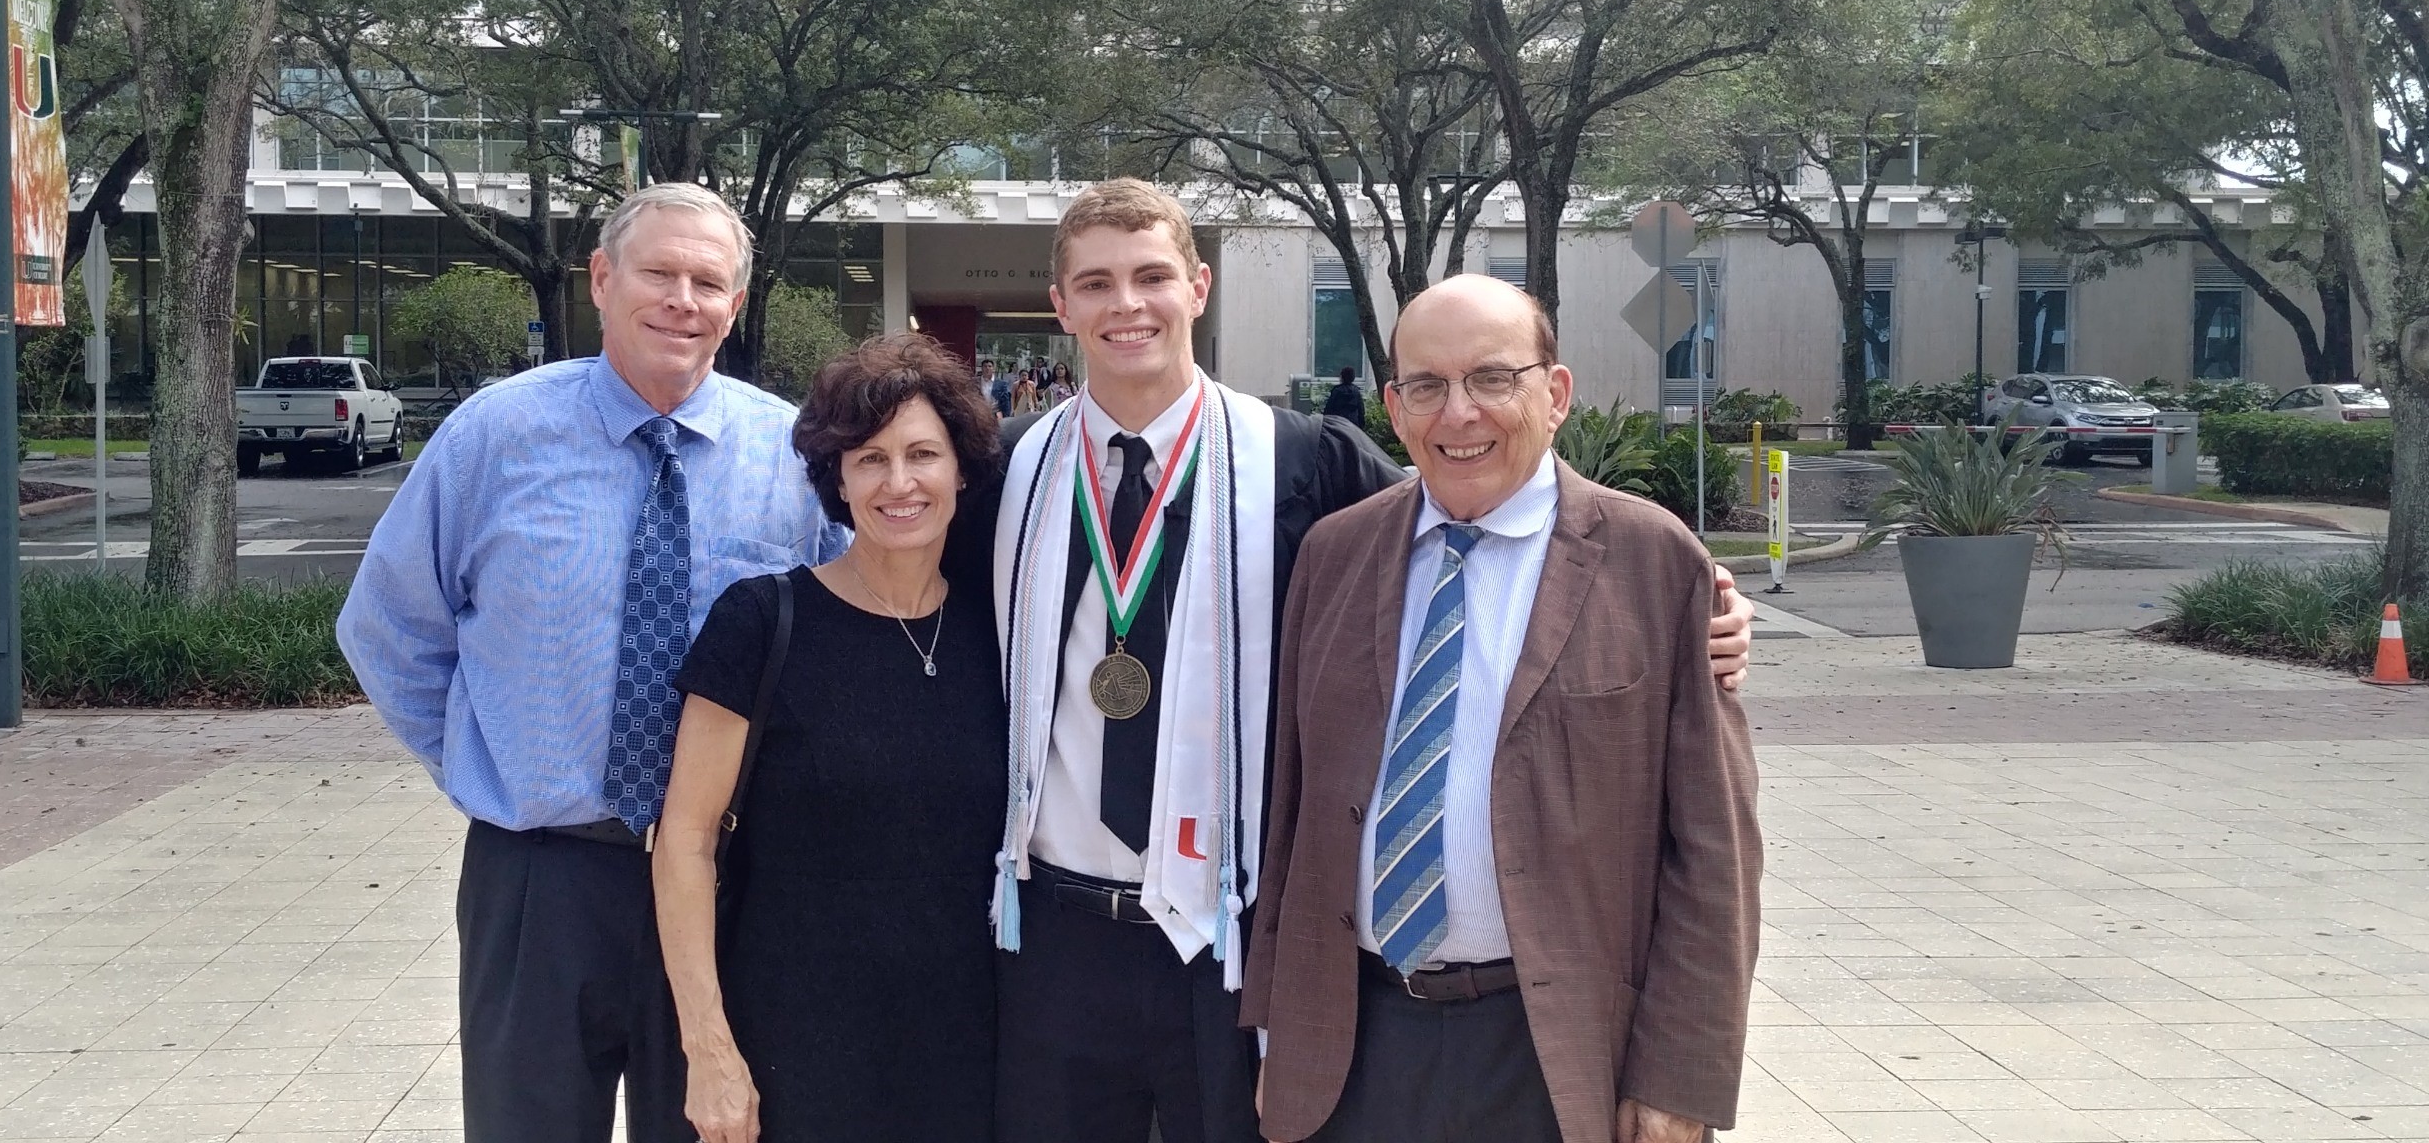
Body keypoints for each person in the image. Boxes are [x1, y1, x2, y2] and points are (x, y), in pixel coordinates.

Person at [974, 180, 1758, 1143]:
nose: (1126, 304)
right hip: (1054, 931)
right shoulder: (1005, 469)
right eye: (1095, 283)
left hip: (1223, 934)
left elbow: (1487, 503)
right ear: (1061, 306)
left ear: (1200, 287)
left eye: (1151, 276)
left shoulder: (1302, 462)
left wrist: (1703, 599)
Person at [337, 182, 847, 1143]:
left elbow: (829, 639)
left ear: (735, 307)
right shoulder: (495, 436)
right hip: (541, 879)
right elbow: (390, 628)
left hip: (732, 881)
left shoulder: (787, 454)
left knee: (718, 1128)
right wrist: (481, 760)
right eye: (659, 273)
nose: (682, 300)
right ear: (604, 280)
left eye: (708, 282)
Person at [1243, 275, 1762, 1143]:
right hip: (1355, 1046)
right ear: (1393, 407)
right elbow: (1292, 813)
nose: (1459, 415)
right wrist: (1273, 1032)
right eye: (1427, 386)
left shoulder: (1653, 561)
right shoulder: (1334, 556)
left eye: (1492, 379)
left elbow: (1714, 849)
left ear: (1552, 394)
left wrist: (1681, 1076)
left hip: (1553, 1049)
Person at [654, 334, 1008, 1143]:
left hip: (968, 1048)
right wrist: (708, 1050)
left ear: (962, 470)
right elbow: (685, 840)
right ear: (836, 479)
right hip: (793, 1046)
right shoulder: (762, 621)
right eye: (870, 459)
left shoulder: (1001, 630)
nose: (900, 482)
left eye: (923, 453)